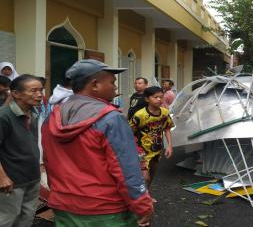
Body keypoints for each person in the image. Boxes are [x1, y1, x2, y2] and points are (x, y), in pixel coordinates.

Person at [41, 59, 153, 226]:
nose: (115, 88)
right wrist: (143, 205)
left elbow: (49, 162)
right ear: (94, 85)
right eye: (112, 82)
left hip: (64, 206)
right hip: (106, 211)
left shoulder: (52, 117)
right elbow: (125, 169)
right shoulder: (111, 119)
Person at [0, 74, 43, 226]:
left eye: (41, 90)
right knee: (8, 219)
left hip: (32, 177)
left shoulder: (34, 114)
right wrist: (2, 177)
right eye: (33, 91)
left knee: (26, 218)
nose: (39, 95)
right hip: (11, 181)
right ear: (16, 93)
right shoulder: (4, 116)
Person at [129, 86, 174, 199]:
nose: (159, 99)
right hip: (141, 150)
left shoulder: (164, 113)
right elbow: (130, 132)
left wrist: (169, 146)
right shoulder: (140, 115)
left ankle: (146, 194)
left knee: (152, 173)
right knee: (145, 177)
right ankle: (140, 199)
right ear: (147, 99)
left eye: (161, 97)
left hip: (156, 149)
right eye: (155, 97)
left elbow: (167, 128)